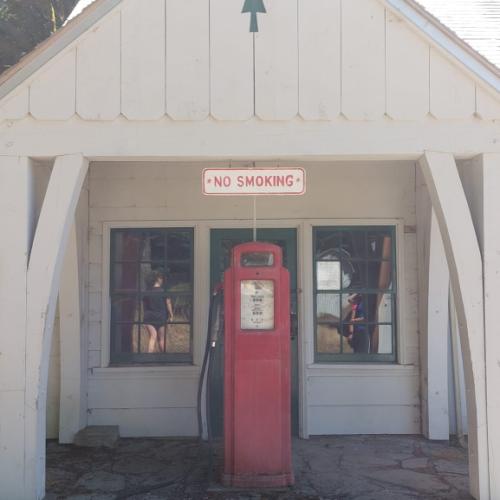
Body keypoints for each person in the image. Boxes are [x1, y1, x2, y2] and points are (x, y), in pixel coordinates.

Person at [143, 270, 174, 353]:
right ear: (158, 279)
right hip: (161, 317)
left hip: (149, 317)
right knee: (161, 339)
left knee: (152, 337)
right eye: (161, 278)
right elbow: (168, 303)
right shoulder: (163, 291)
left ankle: (148, 358)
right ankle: (163, 358)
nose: (162, 280)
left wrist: (144, 318)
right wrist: (171, 315)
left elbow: (144, 306)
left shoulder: (147, 292)